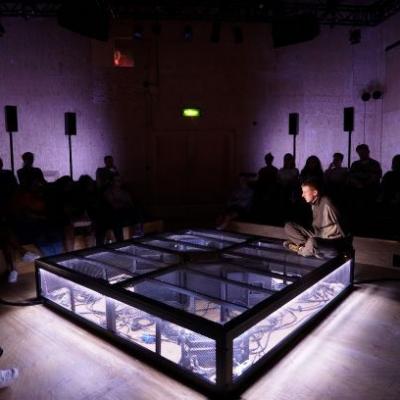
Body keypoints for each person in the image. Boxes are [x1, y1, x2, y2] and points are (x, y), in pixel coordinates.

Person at [283, 179, 347, 258]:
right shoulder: (313, 205)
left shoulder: (327, 203)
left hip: (332, 243)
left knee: (313, 242)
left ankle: (302, 250)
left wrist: (346, 248)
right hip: (319, 237)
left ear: (315, 193)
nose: (302, 195)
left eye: (305, 192)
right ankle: (308, 248)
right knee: (289, 226)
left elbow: (341, 223)